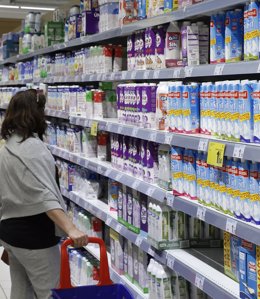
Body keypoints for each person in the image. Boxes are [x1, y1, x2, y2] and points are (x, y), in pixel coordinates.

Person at [0, 89, 88, 299]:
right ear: (35, 113)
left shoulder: (7, 147)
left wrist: (10, 242)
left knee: (21, 292)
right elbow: (44, 195)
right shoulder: (33, 148)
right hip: (34, 236)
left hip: (11, 233)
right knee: (51, 293)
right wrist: (71, 228)